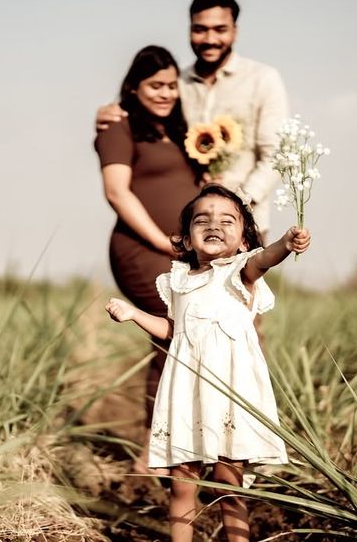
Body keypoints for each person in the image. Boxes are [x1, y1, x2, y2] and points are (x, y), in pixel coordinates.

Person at [105, 184, 311, 542]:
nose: (214, 224)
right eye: (203, 220)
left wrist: (286, 242)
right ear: (184, 240)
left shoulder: (241, 272)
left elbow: (268, 257)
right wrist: (134, 314)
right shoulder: (178, 281)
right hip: (187, 391)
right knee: (182, 480)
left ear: (245, 241)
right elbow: (173, 330)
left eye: (227, 220)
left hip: (231, 392)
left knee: (228, 483)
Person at [96, 0, 288, 241]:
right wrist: (109, 111)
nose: (210, 38)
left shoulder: (262, 79)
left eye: (220, 29)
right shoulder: (176, 84)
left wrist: (238, 202)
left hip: (245, 224)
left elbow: (277, 155)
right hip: (191, 231)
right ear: (189, 29)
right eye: (200, 29)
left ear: (235, 31)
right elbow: (143, 116)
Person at [94, 45, 200, 471]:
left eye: (172, 85)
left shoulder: (178, 129)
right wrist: (162, 240)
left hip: (180, 254)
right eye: (156, 85)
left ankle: (180, 443)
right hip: (141, 249)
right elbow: (116, 192)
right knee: (174, 334)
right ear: (134, 87)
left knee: (183, 338)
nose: (166, 93)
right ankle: (149, 449)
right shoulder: (118, 127)